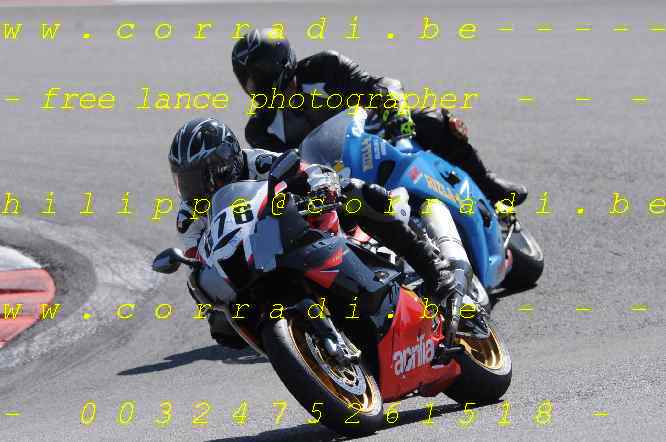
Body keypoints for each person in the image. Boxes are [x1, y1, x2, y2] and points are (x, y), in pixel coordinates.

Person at [169, 117, 473, 350]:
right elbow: (199, 257)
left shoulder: (255, 162)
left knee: (356, 193)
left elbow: (305, 169)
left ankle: (436, 271)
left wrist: (322, 187)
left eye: (202, 176)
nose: (197, 188)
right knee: (222, 323)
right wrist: (207, 292)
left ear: (228, 161)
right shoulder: (188, 215)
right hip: (254, 259)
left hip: (300, 224)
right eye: (186, 181)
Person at [231, 28, 528, 207]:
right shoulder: (259, 129)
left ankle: (487, 185)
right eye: (249, 80)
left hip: (374, 141)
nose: (255, 87)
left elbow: (381, 85)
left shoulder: (325, 67)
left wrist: (399, 121)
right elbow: (284, 170)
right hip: (332, 183)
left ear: (282, 63)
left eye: (260, 75)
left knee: (436, 121)